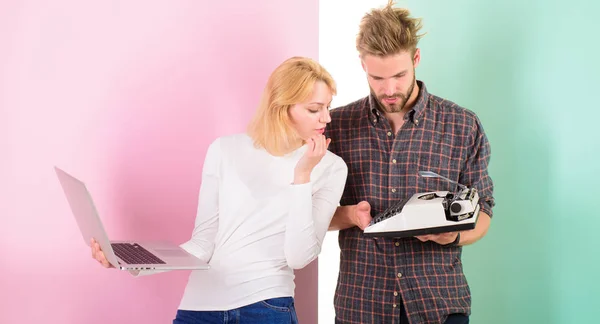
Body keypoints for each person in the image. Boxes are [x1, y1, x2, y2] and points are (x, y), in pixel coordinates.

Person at [90, 56, 348, 324]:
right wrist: (128, 261)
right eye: (315, 109)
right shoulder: (225, 150)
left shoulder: (330, 168)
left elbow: (298, 257)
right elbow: (202, 244)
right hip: (199, 307)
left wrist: (302, 174)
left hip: (266, 306)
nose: (327, 118)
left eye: (328, 106)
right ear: (281, 107)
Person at [325, 2, 495, 324]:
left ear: (416, 59)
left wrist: (453, 236)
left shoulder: (462, 125)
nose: (389, 90)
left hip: (438, 305)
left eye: (400, 75)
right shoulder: (337, 126)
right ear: (362, 64)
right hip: (361, 306)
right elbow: (311, 215)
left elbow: (484, 210)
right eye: (377, 77)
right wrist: (350, 215)